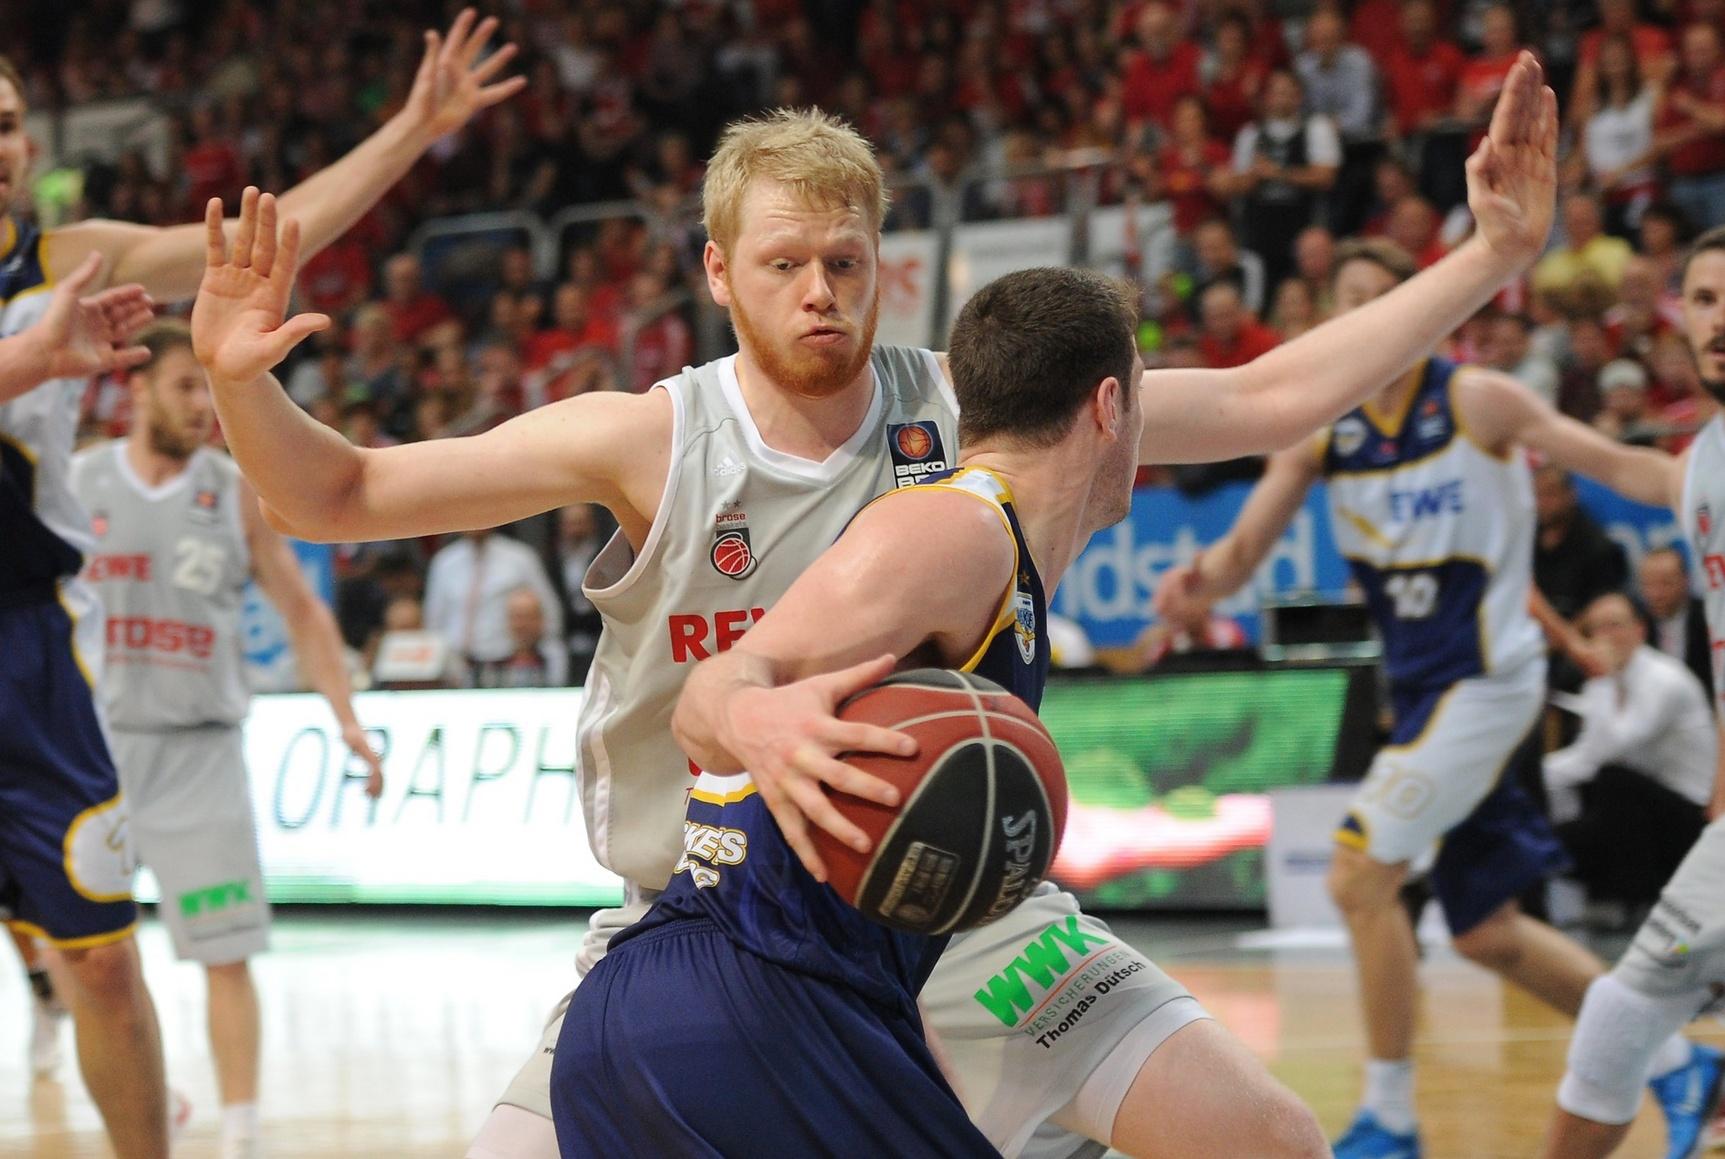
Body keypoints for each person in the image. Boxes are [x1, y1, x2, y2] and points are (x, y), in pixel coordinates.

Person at [190, 56, 1561, 1158]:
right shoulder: (649, 440)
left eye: (846, 259)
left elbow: (1267, 395)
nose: (820, 288)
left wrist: (1488, 256)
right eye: (784, 261)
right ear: (716, 272)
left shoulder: (965, 411)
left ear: (885, 267)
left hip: (965, 910)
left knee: (1264, 1134)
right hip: (718, 922)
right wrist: (244, 383)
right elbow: (344, 494)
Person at [554, 265, 1324, 1155]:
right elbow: (715, 691)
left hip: (784, 1009)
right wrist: (752, 717)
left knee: (1274, 1140)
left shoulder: (1003, 556)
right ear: (1111, 406)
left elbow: (1278, 395)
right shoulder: (954, 530)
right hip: (735, 1009)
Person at [0, 18, 517, 1157]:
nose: (1, 146)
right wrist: (27, 363)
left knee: (102, 957)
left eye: (8, 123)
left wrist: (409, 131)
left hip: (26, 650)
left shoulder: (61, 261)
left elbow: (259, 243)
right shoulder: (39, 323)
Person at [1152, 235, 1717, 1159]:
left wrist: (1704, 484)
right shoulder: (1324, 429)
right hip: (1422, 700)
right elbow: (1247, 546)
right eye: (1353, 300)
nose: (1370, 317)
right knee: (1490, 933)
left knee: (1355, 876)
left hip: (1488, 688)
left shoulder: (1473, 400)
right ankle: (1673, 1065)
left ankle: (1391, 1116)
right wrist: (1200, 583)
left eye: (1386, 297)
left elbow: (1621, 467)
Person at [68, 320, 384, 1159]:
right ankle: (148, 1093)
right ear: (136, 391)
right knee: (78, 950)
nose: (202, 409)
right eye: (182, 387)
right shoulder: (75, 481)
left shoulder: (231, 487)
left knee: (225, 949)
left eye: (208, 393)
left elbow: (302, 608)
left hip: (199, 749)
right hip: (93, 752)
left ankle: (240, 1133)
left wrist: (345, 717)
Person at [1540, 223, 1725, 1159]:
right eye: (1702, 298)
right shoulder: (1702, 466)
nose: (1718, 316)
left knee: (1621, 1008)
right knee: (1619, 1010)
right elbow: (1629, 468)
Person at [1537, 591, 1715, 911]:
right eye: (1597, 629)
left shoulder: (1665, 680)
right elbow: (1584, 757)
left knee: (1614, 781)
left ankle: (1632, 901)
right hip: (1644, 812)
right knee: (1554, 830)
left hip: (1694, 816)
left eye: (1615, 626)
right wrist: (1531, 776)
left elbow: (1613, 749)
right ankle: (1579, 907)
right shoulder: (1601, 683)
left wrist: (1602, 678)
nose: (1606, 637)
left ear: (1640, 630)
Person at [1640, 544, 1715, 697]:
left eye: (1665, 583)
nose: (1656, 594)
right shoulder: (1637, 625)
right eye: (1649, 584)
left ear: (1685, 580)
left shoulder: (1709, 619)